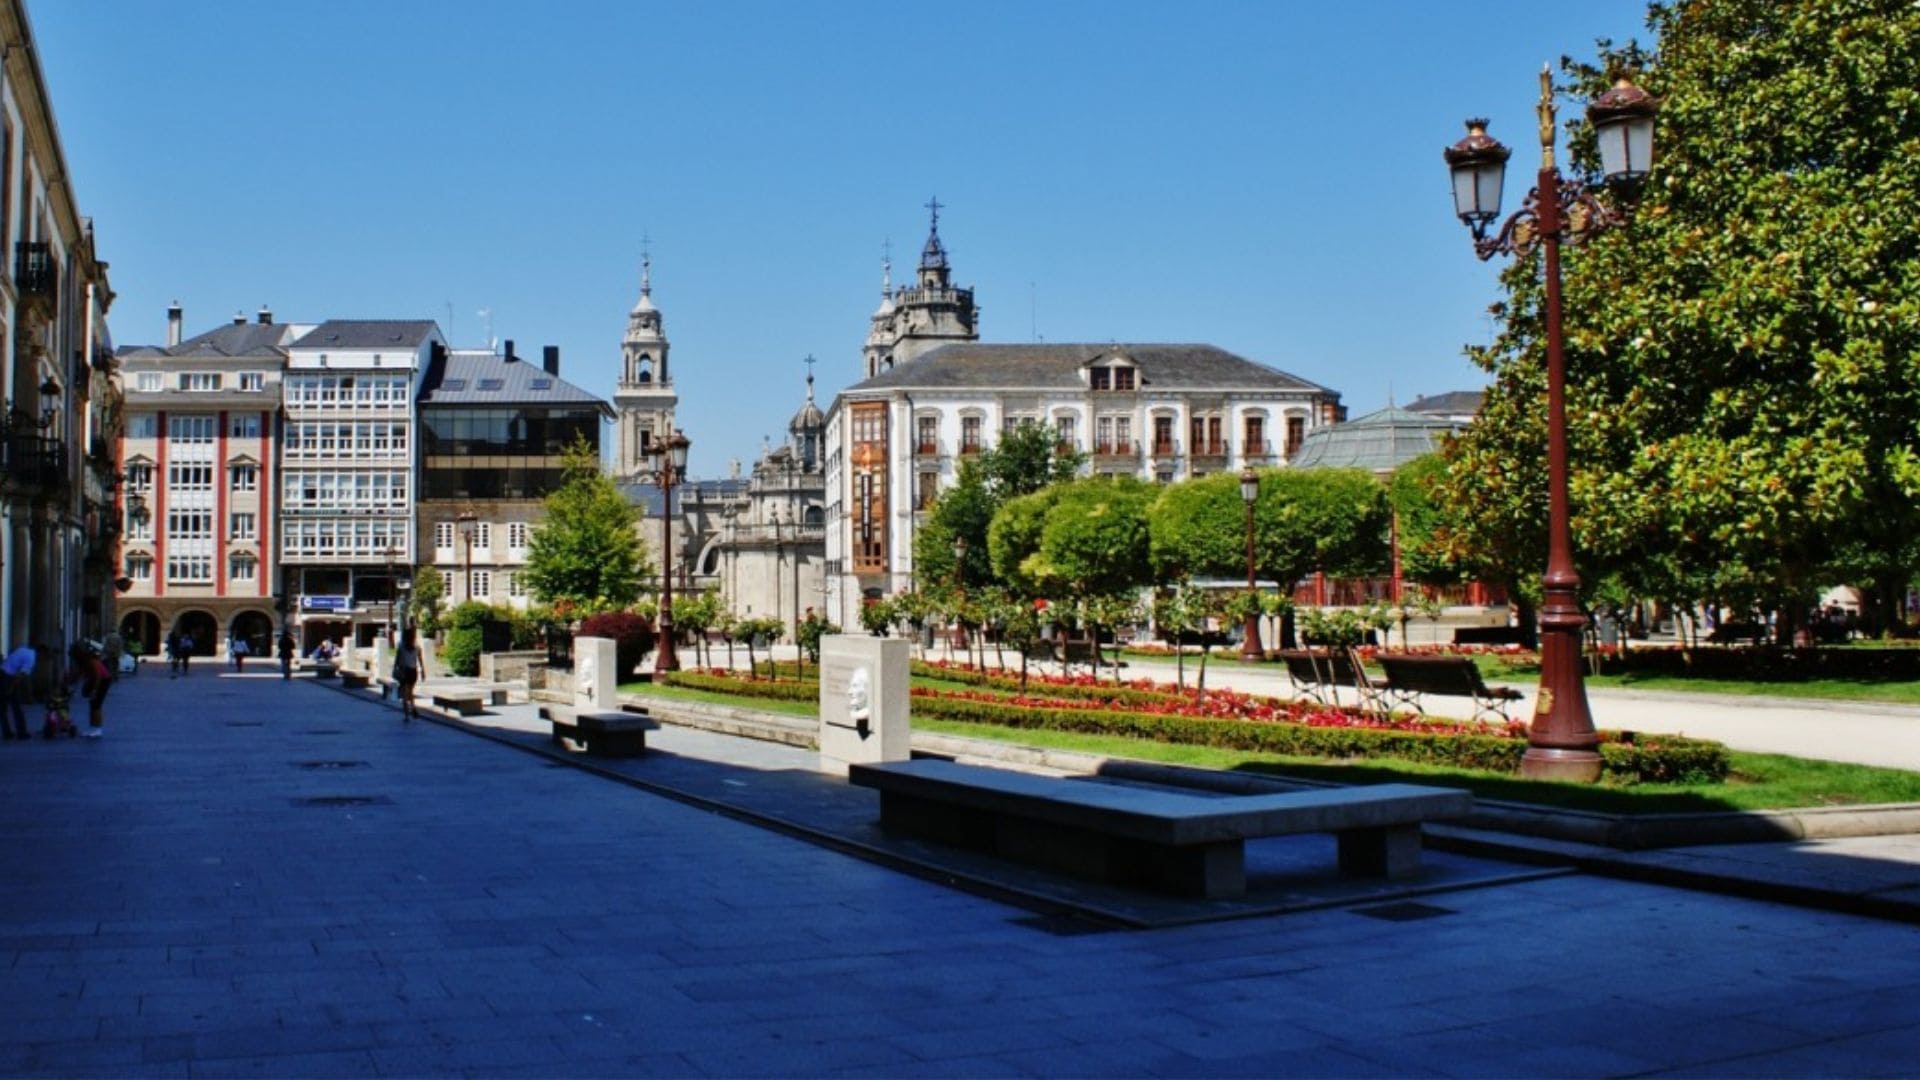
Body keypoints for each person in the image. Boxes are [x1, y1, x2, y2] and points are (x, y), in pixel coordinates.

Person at [66, 640, 111, 739]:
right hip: (95, 678)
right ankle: (92, 728)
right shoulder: (83, 662)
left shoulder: (91, 661)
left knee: (96, 704)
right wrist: (70, 684)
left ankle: (98, 729)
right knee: (92, 704)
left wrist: (94, 690)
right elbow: (78, 674)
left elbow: (98, 676)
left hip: (104, 680)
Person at [2, 640, 37, 740]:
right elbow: (20, 676)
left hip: (3, 673)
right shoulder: (31, 658)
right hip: (8, 678)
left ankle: (7, 732)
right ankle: (21, 732)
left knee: (3, 707)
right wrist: (11, 688)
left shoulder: (22, 649)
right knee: (16, 706)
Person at [392, 627, 422, 721]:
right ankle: (413, 707)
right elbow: (420, 660)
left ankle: (406, 715)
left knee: (404, 694)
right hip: (413, 672)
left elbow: (397, 659)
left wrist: (394, 668)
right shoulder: (417, 647)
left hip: (404, 671)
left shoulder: (401, 646)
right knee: (411, 692)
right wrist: (423, 671)